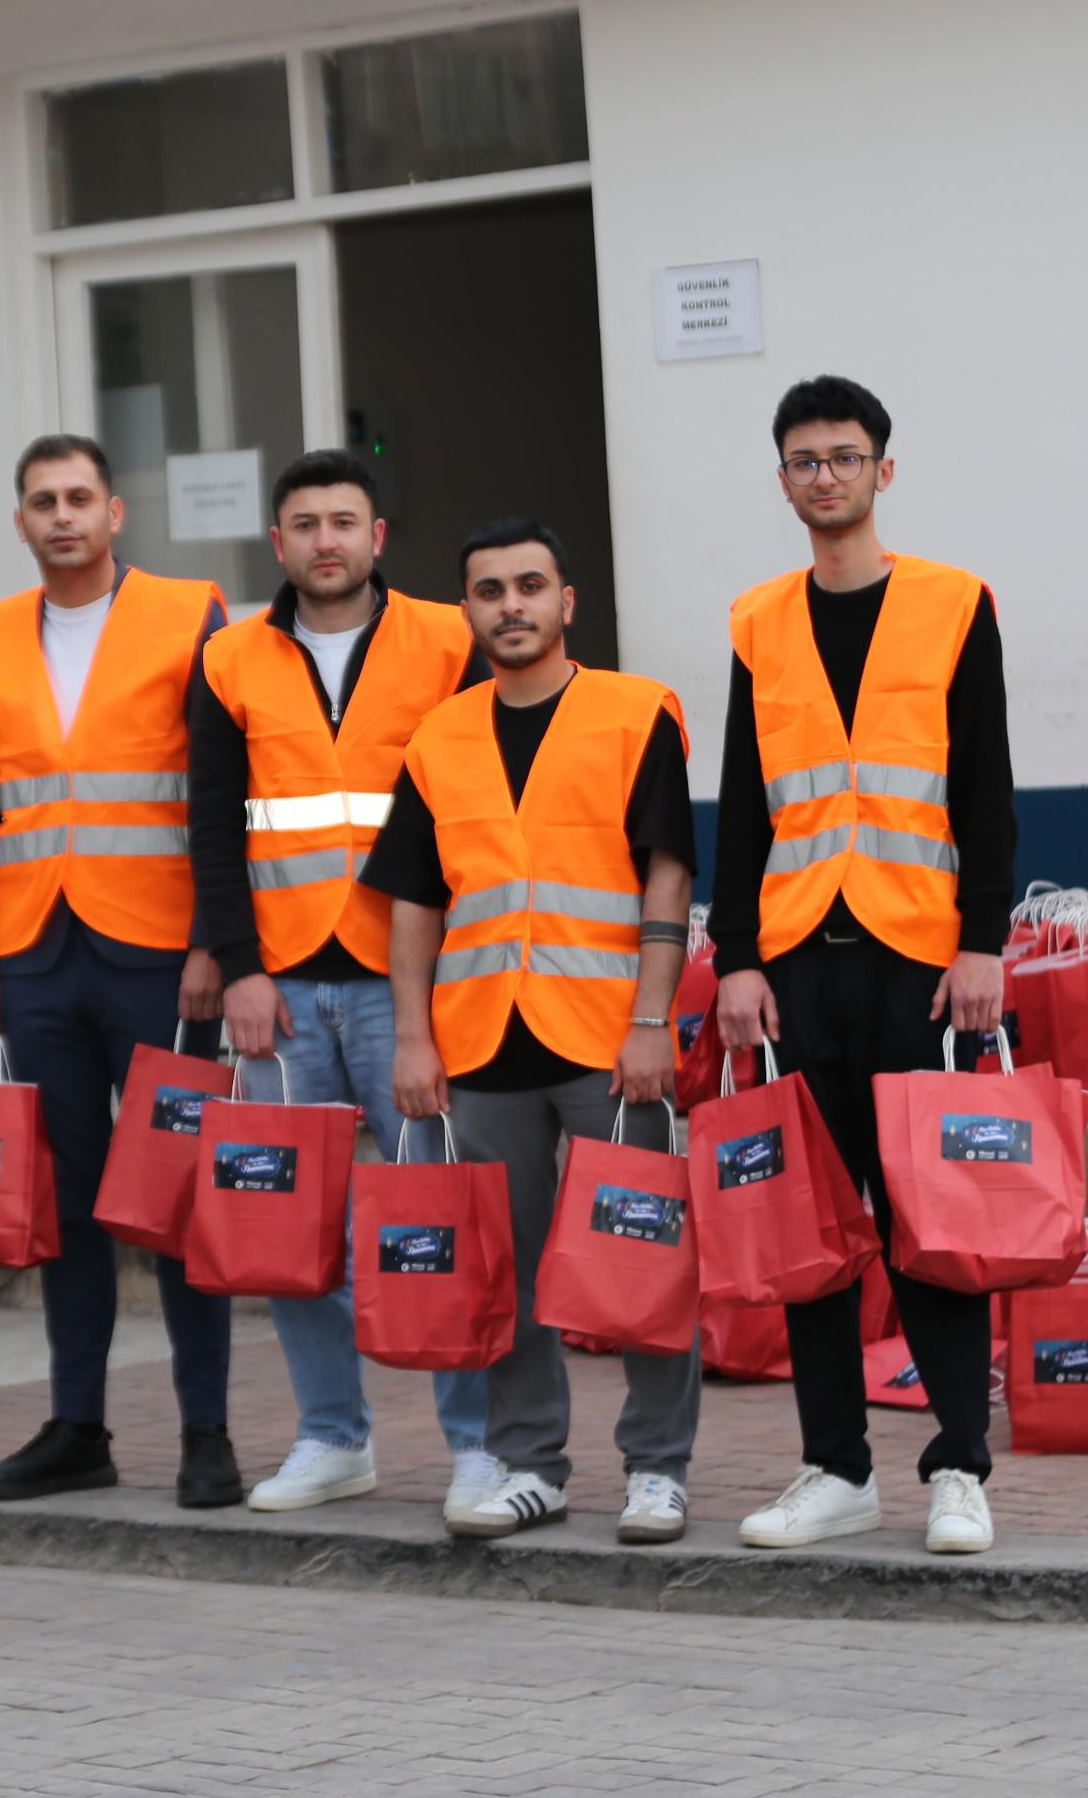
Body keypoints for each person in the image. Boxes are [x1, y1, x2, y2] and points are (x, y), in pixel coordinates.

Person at [708, 373, 1018, 1556]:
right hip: (795, 963)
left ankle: (958, 1465)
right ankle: (836, 1465)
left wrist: (982, 937)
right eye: (804, 458)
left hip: (921, 960)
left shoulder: (953, 603)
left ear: (883, 471)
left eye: (845, 456)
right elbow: (743, 807)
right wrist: (735, 957)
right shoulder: (757, 619)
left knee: (932, 1219)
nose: (825, 475)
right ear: (782, 478)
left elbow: (986, 788)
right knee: (811, 1228)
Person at [371, 518, 701, 1545]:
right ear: (465, 610)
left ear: (568, 601)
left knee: (641, 1250)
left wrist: (654, 1017)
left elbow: (668, 874)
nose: (509, 604)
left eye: (528, 585)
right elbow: (416, 901)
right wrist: (413, 1037)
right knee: (500, 1263)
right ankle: (531, 1464)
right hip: (481, 1044)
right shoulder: (440, 736)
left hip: (609, 1038)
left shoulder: (634, 712)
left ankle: (656, 1468)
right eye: (487, 590)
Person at [187, 451, 498, 1522]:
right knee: (289, 1226)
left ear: (379, 536)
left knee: (442, 1212)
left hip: (410, 985)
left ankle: (476, 1445)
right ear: (276, 543)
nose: (326, 540)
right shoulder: (230, 658)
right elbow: (214, 828)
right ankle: (332, 1435)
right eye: (305, 523)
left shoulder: (450, 639)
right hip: (279, 988)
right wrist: (239, 968)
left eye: (345, 521)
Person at [0, 436, 243, 1508]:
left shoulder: (189, 612)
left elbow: (218, 788)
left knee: (178, 1199)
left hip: (166, 960)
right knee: (65, 1204)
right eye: (42, 501)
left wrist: (217, 938)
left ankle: (206, 1430)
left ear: (115, 512)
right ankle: (78, 1425)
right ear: (20, 521)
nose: (62, 515)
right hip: (35, 959)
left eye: (79, 498)